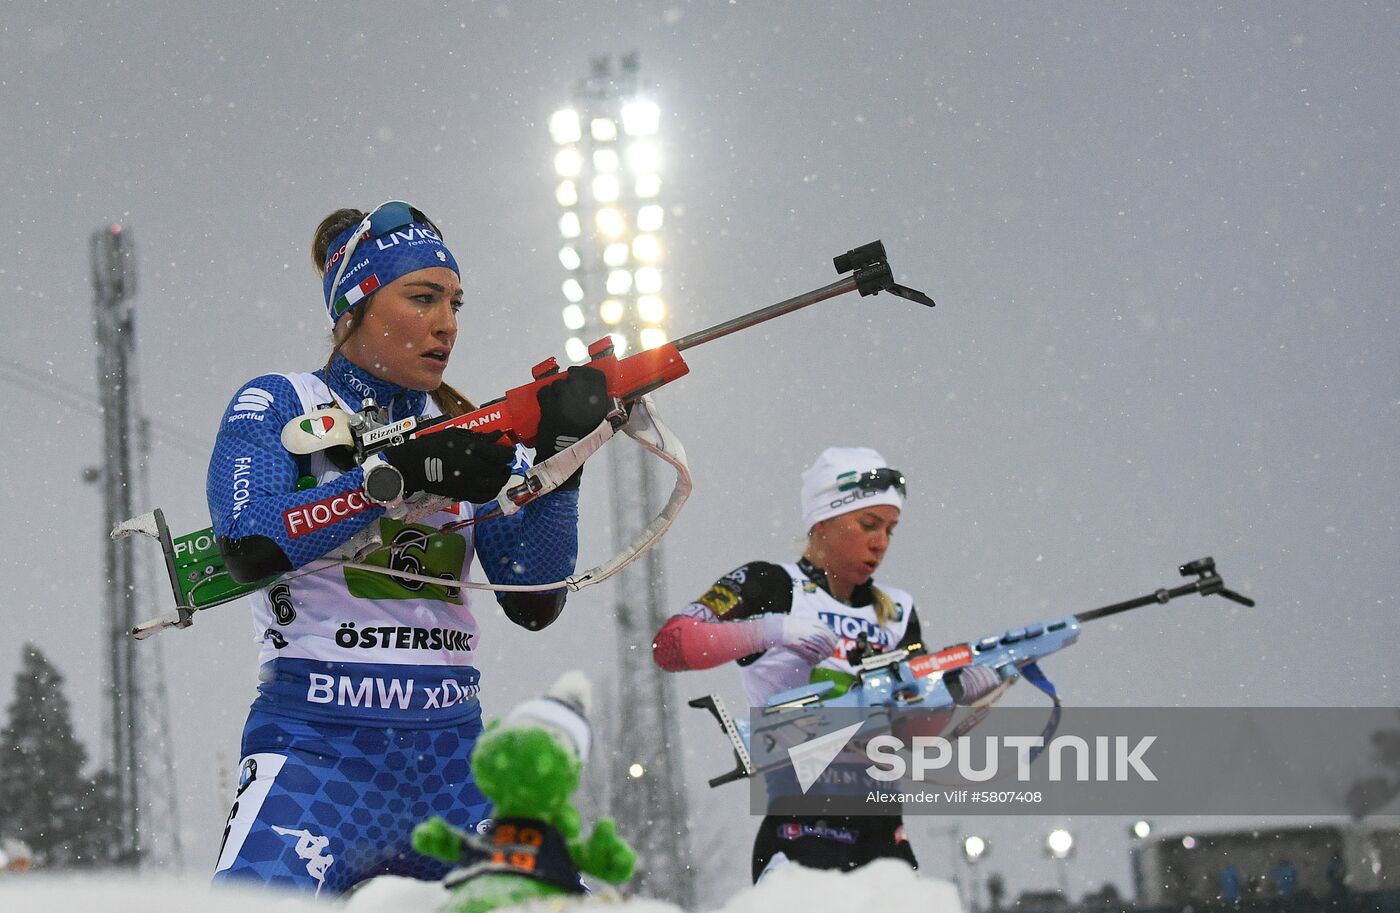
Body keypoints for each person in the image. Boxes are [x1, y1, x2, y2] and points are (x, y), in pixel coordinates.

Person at [208, 201, 609, 896]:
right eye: (421, 298)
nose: (446, 322)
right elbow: (249, 541)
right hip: (316, 751)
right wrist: (393, 481)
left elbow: (534, 596)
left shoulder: (468, 425)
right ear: (352, 308)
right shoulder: (278, 401)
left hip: (452, 759)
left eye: (454, 302)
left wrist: (560, 460)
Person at [651, 446, 998, 882]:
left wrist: (958, 694)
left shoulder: (895, 612)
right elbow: (671, 644)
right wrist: (771, 631)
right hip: (802, 828)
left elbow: (912, 733)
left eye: (891, 529)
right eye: (868, 525)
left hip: (883, 831)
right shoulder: (771, 584)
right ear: (822, 521)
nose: (881, 542)